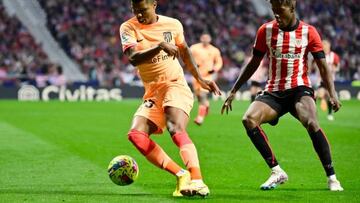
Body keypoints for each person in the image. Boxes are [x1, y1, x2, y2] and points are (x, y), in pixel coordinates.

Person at [221, 0, 343, 191]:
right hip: (274, 91)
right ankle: (277, 171)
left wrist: (332, 93)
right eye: (274, 11)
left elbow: (323, 66)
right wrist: (234, 90)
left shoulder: (309, 32)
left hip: (299, 88)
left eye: (280, 11)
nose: (276, 15)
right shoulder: (265, 30)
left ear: (292, 9)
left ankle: (332, 177)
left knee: (311, 121)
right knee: (249, 119)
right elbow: (254, 62)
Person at [120, 0, 221, 197]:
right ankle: (181, 174)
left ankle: (198, 180)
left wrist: (200, 78)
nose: (139, 15)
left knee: (175, 127)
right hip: (152, 91)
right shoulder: (128, 27)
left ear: (154, 5)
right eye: (135, 10)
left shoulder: (173, 24)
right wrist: (159, 46)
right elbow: (133, 58)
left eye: (143, 10)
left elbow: (184, 52)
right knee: (136, 135)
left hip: (175, 84)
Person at [190, 34, 223, 125]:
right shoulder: (194, 48)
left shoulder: (214, 50)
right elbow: (188, 57)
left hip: (207, 76)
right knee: (199, 96)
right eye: (203, 38)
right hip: (196, 76)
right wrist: (193, 64)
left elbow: (219, 61)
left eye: (207, 38)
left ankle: (200, 118)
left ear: (210, 39)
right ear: (201, 38)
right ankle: (206, 106)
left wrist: (215, 69)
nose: (205, 40)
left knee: (202, 95)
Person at [316, 40, 341, 121]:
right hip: (322, 80)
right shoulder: (319, 54)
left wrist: (334, 69)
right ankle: (323, 100)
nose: (324, 47)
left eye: (326, 45)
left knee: (330, 98)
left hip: (331, 81)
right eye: (323, 45)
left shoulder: (334, 56)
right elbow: (314, 65)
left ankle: (330, 114)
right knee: (319, 95)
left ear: (329, 46)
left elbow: (338, 67)